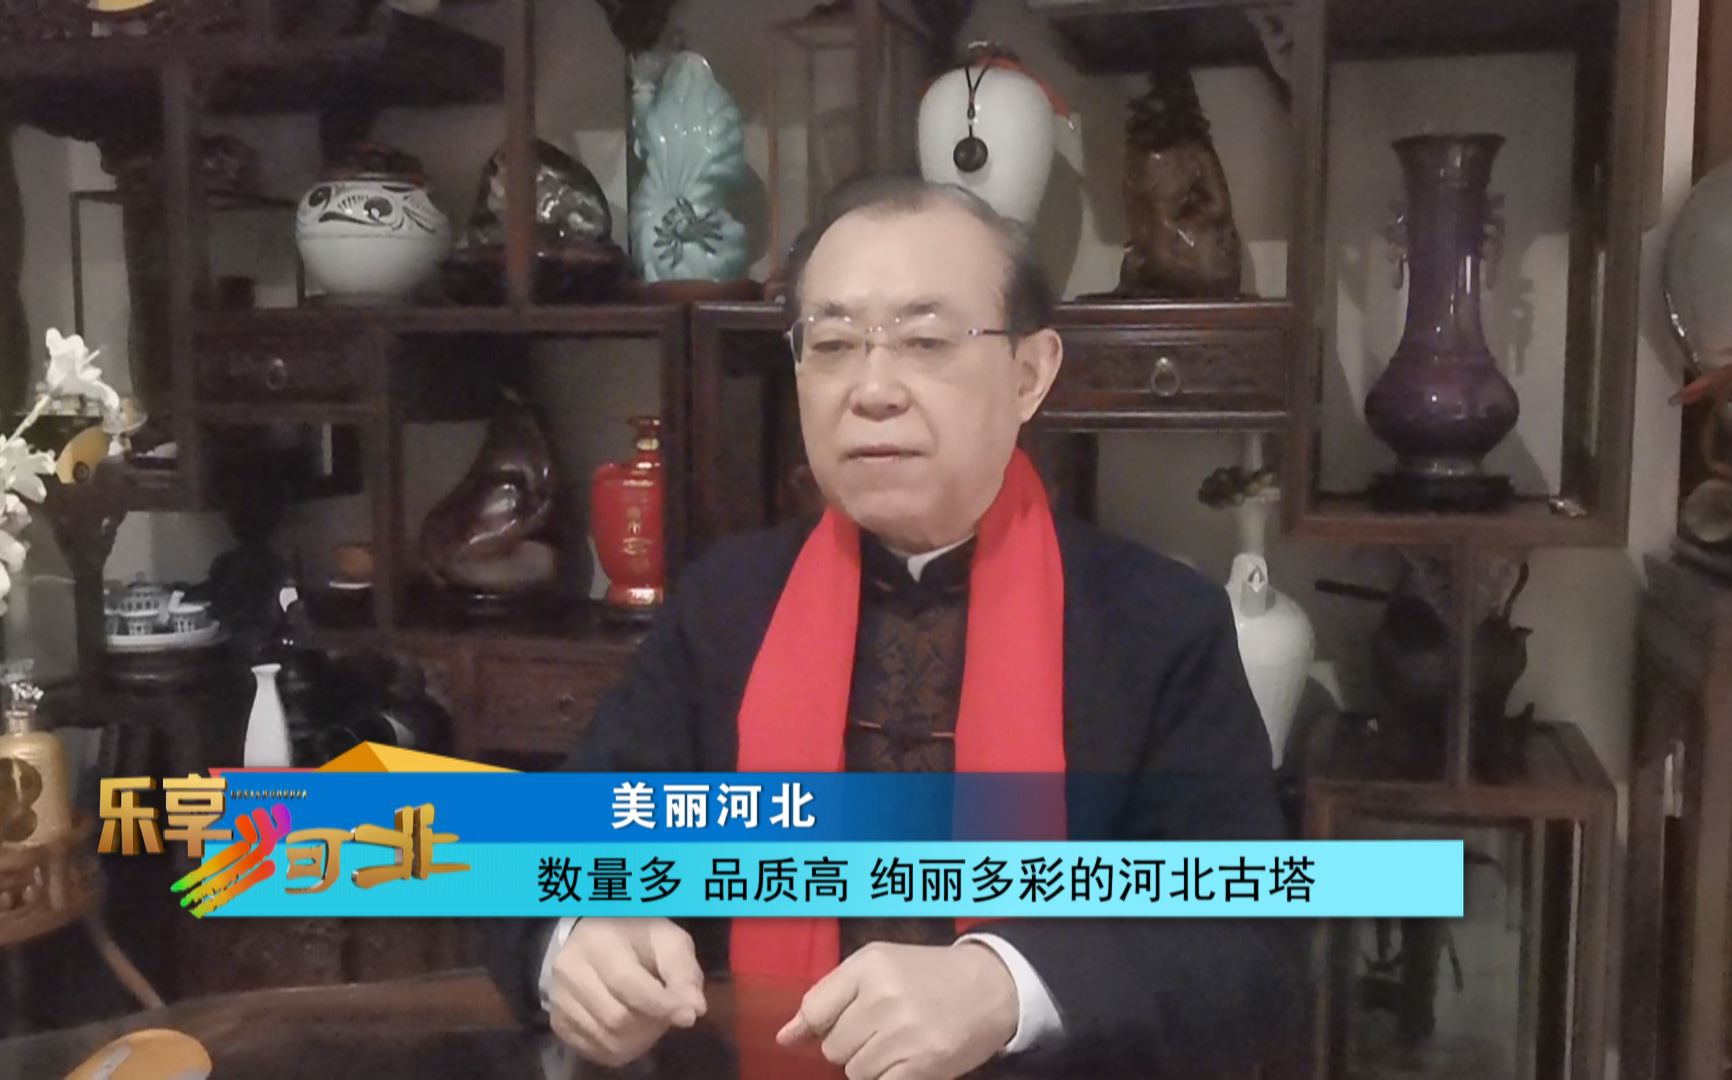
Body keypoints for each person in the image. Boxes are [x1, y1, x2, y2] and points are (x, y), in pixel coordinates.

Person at [486, 175, 1308, 1079]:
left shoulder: (1157, 624)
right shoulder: (728, 605)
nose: (872, 389)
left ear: (1029, 374)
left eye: (925, 341)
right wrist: (574, 940)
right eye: (834, 344)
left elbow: (1246, 950)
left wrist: (1007, 986)